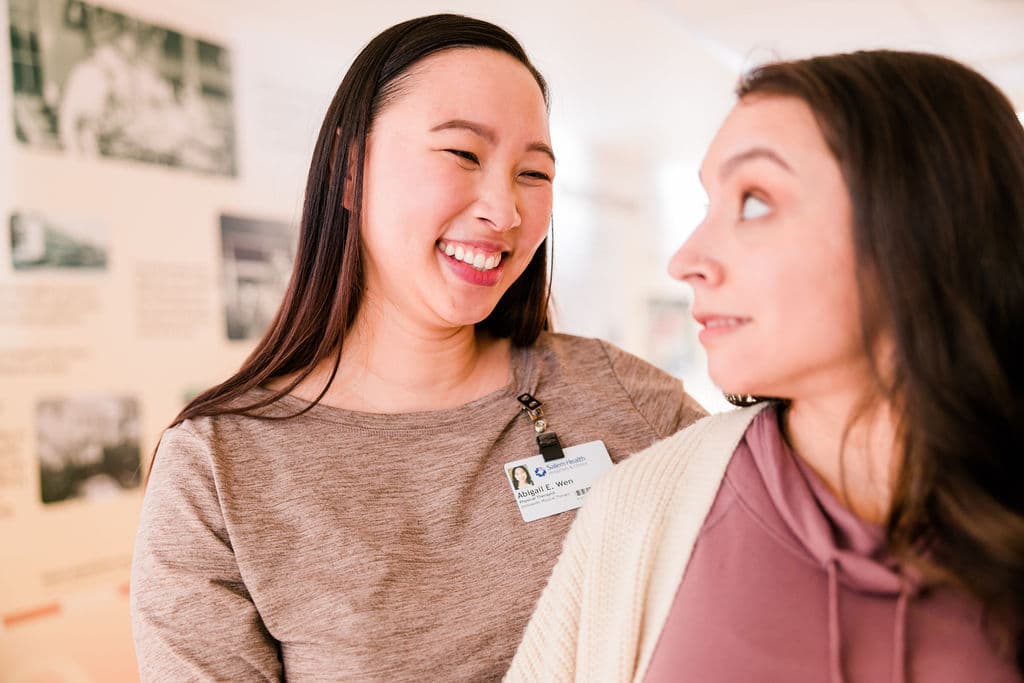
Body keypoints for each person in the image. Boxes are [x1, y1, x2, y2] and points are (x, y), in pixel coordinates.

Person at [129, 13, 704, 682]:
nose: (505, 210)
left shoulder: (617, 393)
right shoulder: (217, 468)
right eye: (462, 154)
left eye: (534, 173)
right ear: (350, 170)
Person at [507, 50, 1024, 682]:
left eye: (754, 202)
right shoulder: (642, 505)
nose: (687, 259)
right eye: (708, 204)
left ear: (924, 226)